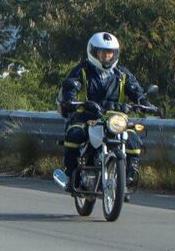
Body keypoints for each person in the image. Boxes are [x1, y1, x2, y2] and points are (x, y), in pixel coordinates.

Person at [57, 32, 149, 192]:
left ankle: (129, 176)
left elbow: (136, 90)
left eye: (110, 53)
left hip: (115, 118)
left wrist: (144, 102)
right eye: (103, 52)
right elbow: (70, 86)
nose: (107, 56)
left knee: (133, 138)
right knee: (74, 134)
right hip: (87, 117)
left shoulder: (122, 74)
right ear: (93, 52)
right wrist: (70, 99)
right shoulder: (82, 71)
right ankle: (72, 176)